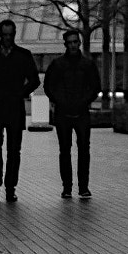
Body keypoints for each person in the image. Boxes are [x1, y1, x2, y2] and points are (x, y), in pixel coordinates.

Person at [0, 18, 40, 201]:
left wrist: (21, 93)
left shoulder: (23, 55)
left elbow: (34, 79)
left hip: (13, 106)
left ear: (14, 34)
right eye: (5, 35)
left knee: (14, 149)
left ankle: (10, 186)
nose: (8, 38)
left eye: (10, 35)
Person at [44, 28, 101, 198]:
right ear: (66, 44)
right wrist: (60, 101)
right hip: (65, 112)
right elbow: (48, 87)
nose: (73, 45)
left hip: (80, 111)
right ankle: (67, 187)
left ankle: (82, 186)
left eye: (75, 42)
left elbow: (95, 87)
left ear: (79, 43)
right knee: (66, 150)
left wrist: (83, 101)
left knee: (82, 150)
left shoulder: (86, 64)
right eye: (70, 43)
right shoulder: (59, 64)